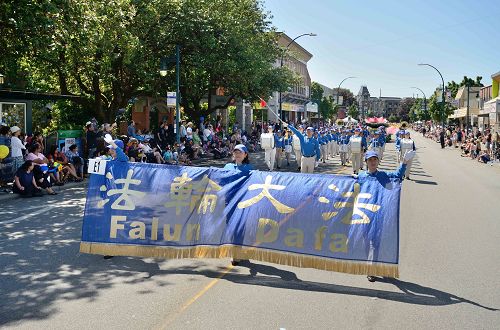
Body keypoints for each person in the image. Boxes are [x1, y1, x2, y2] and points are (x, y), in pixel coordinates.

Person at [358, 149, 416, 282]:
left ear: (378, 161)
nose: (372, 162)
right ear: (366, 162)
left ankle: (371, 269)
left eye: (374, 159)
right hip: (363, 214)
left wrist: (405, 162)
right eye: (370, 160)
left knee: (375, 243)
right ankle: (370, 263)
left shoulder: (383, 175)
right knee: (366, 242)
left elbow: (397, 175)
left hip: (378, 215)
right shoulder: (361, 176)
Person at [223, 144, 254, 266]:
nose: (237, 154)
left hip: (243, 201)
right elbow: (221, 179)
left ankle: (236, 252)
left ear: (245, 154)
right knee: (230, 226)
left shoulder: (250, 168)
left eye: (240, 152)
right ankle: (234, 251)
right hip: (229, 201)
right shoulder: (228, 166)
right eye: (236, 152)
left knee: (240, 227)